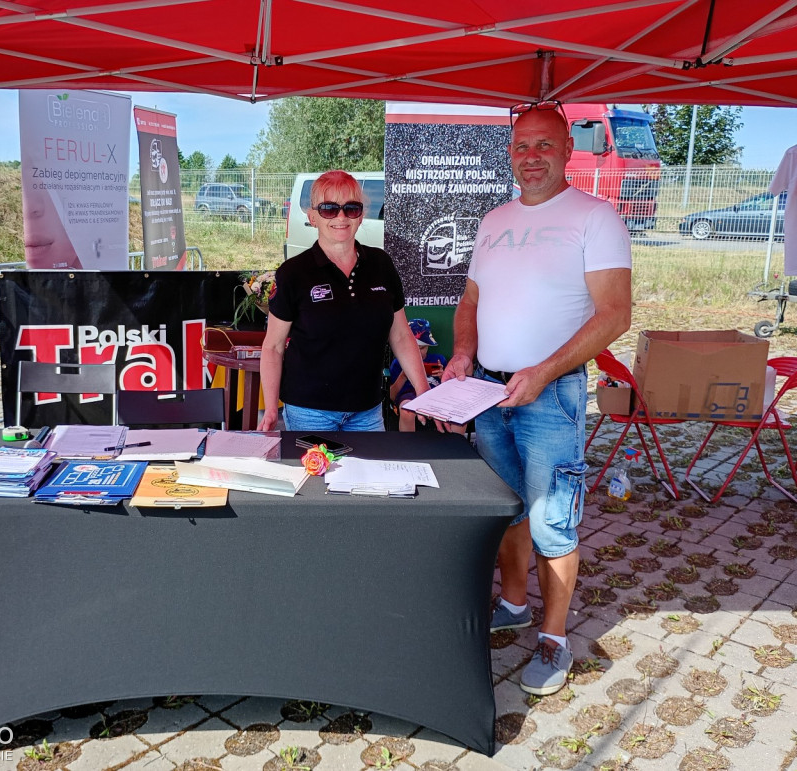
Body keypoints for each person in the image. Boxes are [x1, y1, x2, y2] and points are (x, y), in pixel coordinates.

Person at [442, 102, 632, 696]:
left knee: (553, 521)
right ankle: (516, 603)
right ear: (510, 152)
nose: (532, 157)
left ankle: (554, 639)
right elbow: (470, 301)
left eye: (544, 146)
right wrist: (463, 355)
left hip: (553, 395)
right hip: (489, 393)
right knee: (508, 509)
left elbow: (615, 314)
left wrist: (546, 371)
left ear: (568, 148)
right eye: (522, 146)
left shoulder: (595, 217)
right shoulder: (494, 220)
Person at [256, 170, 431, 432]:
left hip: (368, 412)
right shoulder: (293, 273)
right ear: (312, 216)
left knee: (372, 475)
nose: (341, 217)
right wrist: (271, 410)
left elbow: (401, 336)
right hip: (309, 413)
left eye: (351, 208)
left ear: (360, 216)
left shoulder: (381, 264)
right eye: (329, 209)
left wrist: (423, 389)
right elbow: (273, 347)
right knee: (316, 475)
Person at [389, 318, 447, 432]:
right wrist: (404, 376)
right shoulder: (398, 362)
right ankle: (407, 446)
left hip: (436, 394)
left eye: (422, 347)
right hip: (408, 394)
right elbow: (391, 395)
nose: (418, 352)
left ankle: (454, 445)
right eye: (414, 348)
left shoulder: (439, 359)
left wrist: (442, 376)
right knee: (407, 409)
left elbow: (451, 389)